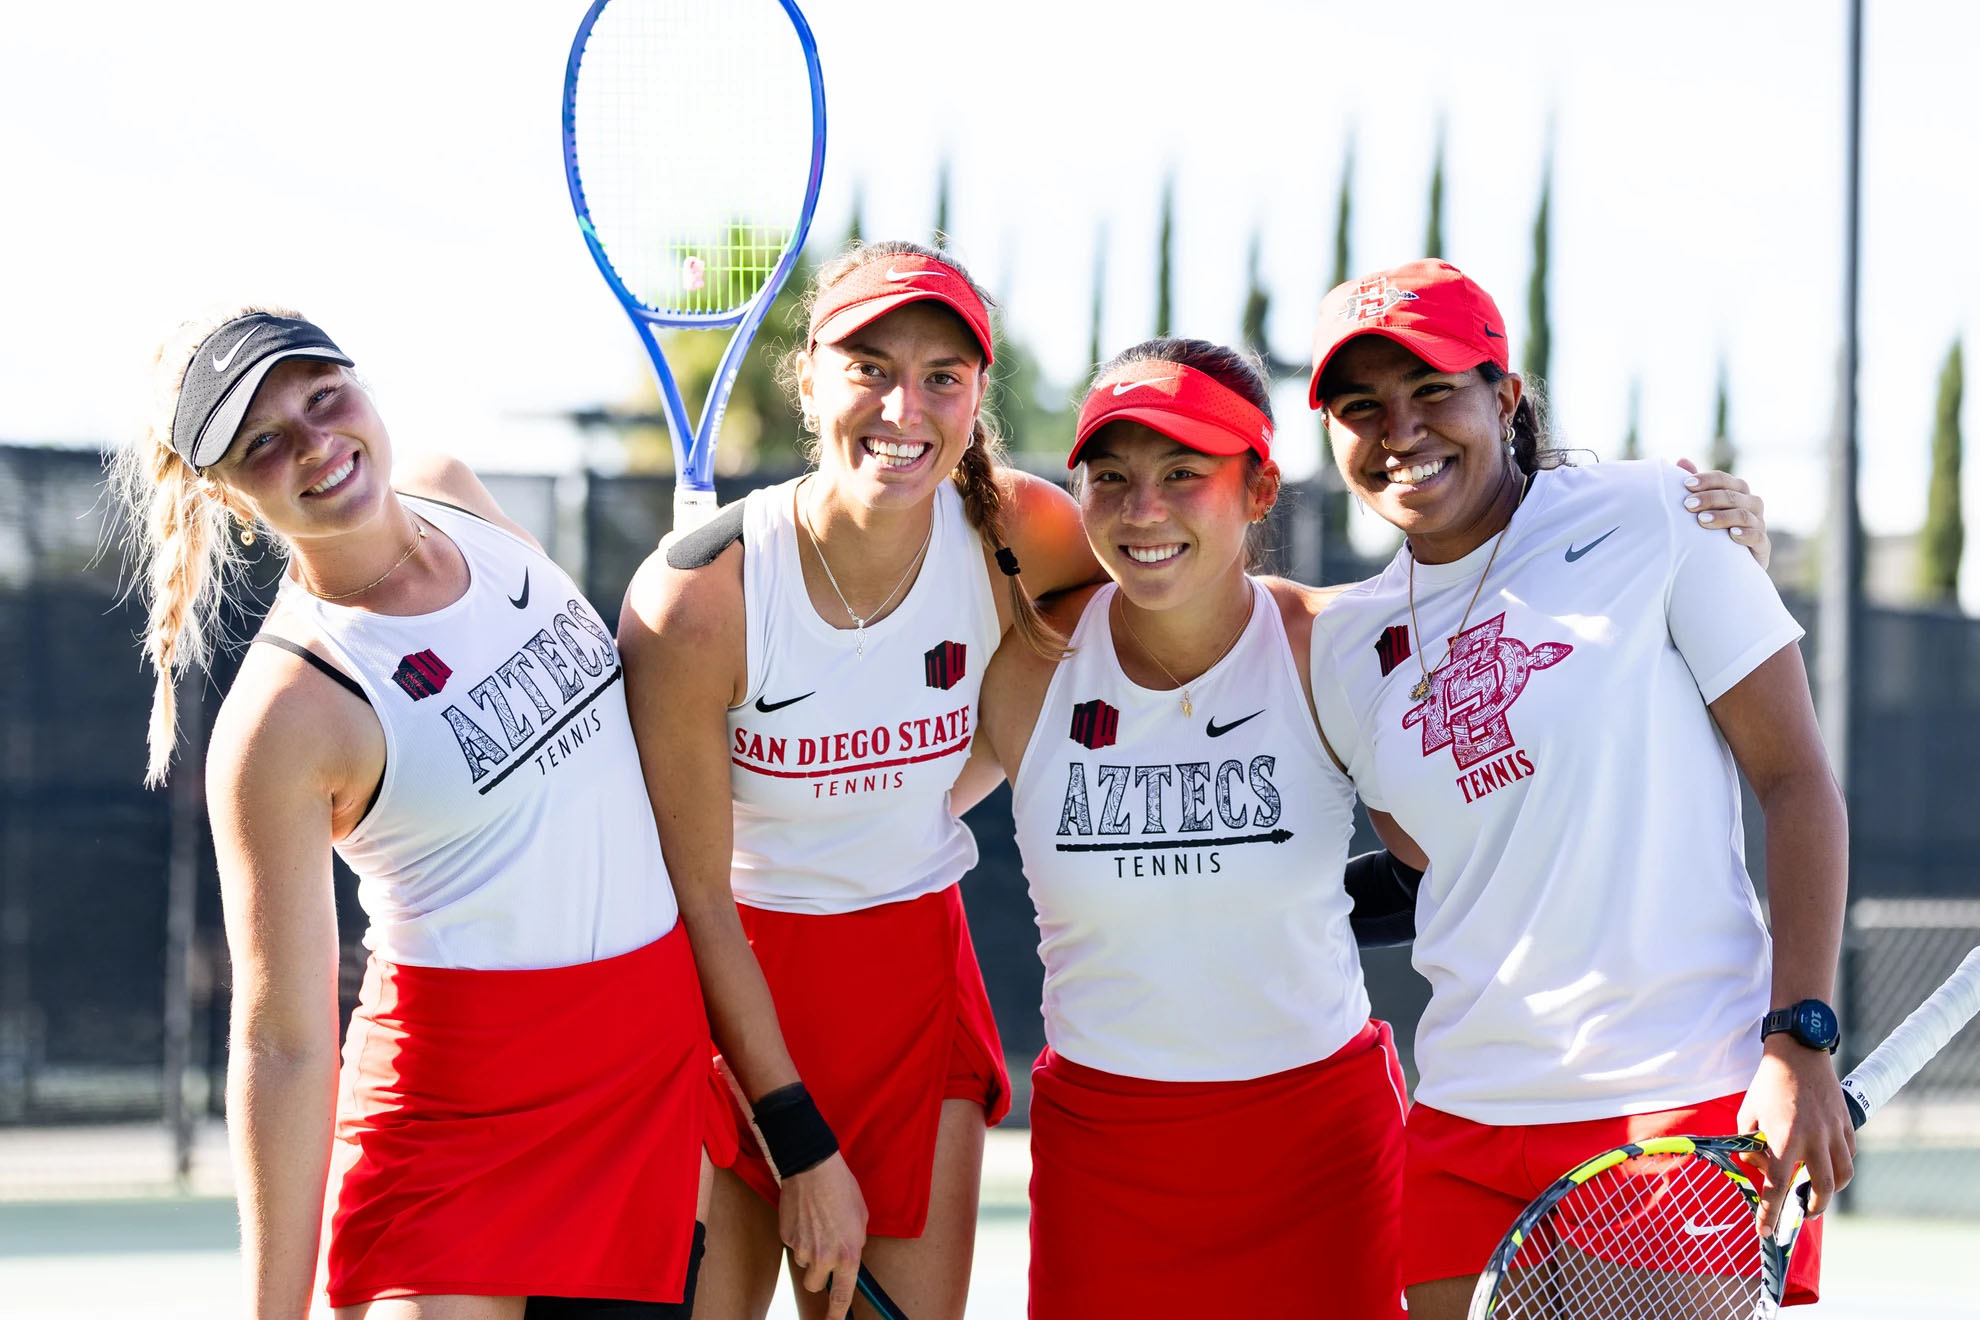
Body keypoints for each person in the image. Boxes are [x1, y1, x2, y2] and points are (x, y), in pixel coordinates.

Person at [114, 306, 723, 1319]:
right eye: (264, 442)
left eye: (322, 397)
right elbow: (282, 1045)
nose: (316, 443)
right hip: (456, 1125)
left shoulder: (457, 494)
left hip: (645, 1070)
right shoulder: (286, 715)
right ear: (225, 493)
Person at [1304, 260, 1852, 1318]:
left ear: (1504, 399)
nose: (1401, 430)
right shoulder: (1344, 643)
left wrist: (1800, 1039)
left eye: (1434, 393)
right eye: (1362, 405)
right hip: (1463, 1117)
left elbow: (1795, 782)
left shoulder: (1659, 515)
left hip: (1670, 1105)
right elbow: (1431, 859)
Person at [616, 242, 1099, 1320]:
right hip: (724, 1010)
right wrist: (798, 1146)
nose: (905, 405)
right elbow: (695, 900)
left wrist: (946, 785)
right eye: (870, 366)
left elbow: (1162, 606)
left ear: (977, 394)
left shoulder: (1023, 535)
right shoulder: (696, 603)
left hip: (913, 985)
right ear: (810, 381)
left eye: (942, 376)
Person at [975, 339, 1411, 1318]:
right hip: (1108, 1160)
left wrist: (1687, 527)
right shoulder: (1030, 668)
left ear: (1259, 488)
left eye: (1184, 474)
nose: (1144, 509)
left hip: (1320, 1155)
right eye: (1113, 478)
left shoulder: (1328, 650)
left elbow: (1544, 635)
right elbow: (883, 816)